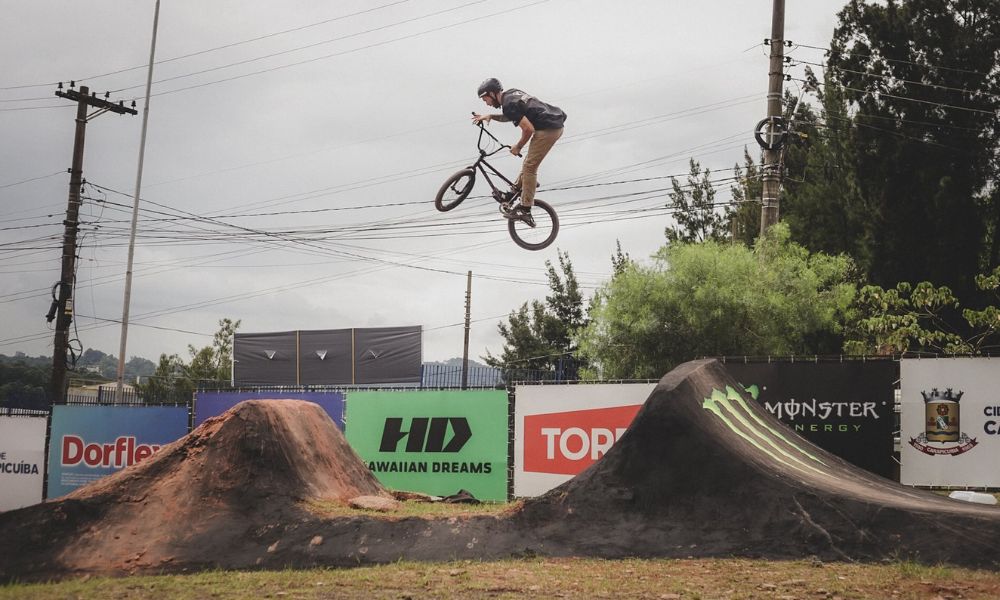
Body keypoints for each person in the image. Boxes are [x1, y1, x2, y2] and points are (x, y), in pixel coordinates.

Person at [472, 78, 566, 221]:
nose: (487, 104)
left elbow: (528, 129)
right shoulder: (510, 95)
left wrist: (518, 146)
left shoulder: (508, 104)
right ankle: (513, 192)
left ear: (491, 94)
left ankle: (525, 210)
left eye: (486, 100)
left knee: (529, 167)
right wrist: (491, 116)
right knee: (528, 164)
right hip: (552, 124)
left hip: (548, 129)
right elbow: (513, 115)